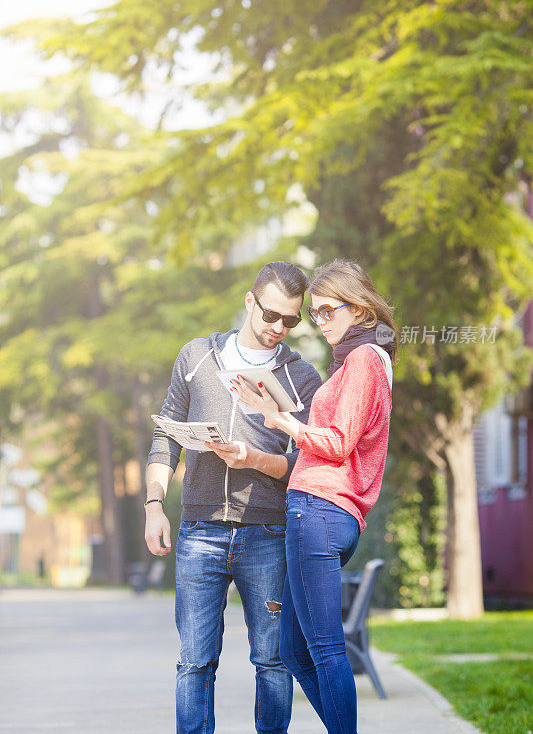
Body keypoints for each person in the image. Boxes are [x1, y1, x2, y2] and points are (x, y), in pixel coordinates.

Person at [144, 261, 322, 734]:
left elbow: (310, 464)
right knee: (194, 662)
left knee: (271, 662)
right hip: (198, 532)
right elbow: (165, 438)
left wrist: (254, 460)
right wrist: (154, 507)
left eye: (290, 320)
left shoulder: (302, 377)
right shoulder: (197, 356)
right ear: (249, 301)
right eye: (270, 315)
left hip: (267, 532)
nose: (277, 329)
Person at [231, 258, 397, 734]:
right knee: (293, 651)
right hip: (329, 514)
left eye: (328, 311)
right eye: (315, 314)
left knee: (323, 650)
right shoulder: (363, 358)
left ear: (359, 307)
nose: (320, 321)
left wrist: (280, 419)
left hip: (320, 511)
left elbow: (338, 441)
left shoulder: (364, 360)